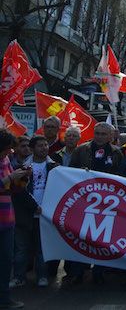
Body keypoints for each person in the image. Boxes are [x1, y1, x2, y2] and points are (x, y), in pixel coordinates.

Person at [65, 122, 124, 286]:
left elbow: (121, 177)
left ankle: (99, 272)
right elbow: (70, 172)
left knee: (103, 239)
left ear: (110, 136)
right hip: (84, 201)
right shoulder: (81, 150)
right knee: (82, 237)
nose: (99, 137)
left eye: (103, 134)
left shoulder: (116, 153)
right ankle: (78, 272)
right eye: (97, 133)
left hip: (107, 203)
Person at [11, 135, 55, 289]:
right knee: (22, 248)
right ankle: (19, 277)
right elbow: (19, 191)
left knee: (41, 249)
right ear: (32, 148)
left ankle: (42, 276)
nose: (44, 148)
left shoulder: (54, 167)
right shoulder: (22, 168)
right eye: (40, 145)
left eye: (46, 145)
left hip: (45, 215)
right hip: (26, 214)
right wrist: (33, 206)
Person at [0, 130, 30, 308]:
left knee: (5, 261)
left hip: (7, 219)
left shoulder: (5, 161)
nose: (10, 152)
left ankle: (4, 299)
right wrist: (11, 177)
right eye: (6, 149)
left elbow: (12, 189)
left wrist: (23, 177)